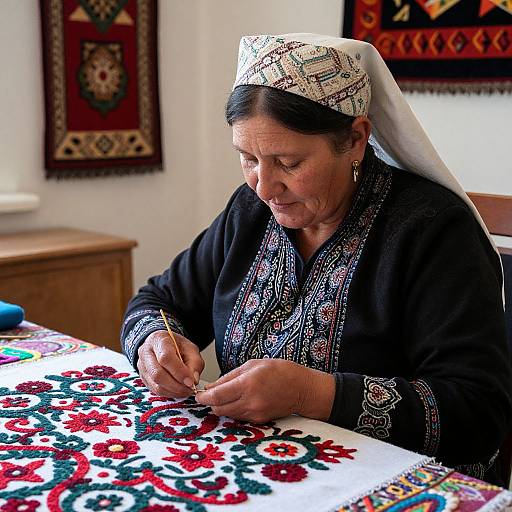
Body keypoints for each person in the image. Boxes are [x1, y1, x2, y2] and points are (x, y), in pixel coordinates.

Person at [121, 34, 512, 484]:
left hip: (403, 485)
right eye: (247, 158)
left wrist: (313, 393)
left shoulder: (433, 230)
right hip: (260, 469)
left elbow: (478, 413)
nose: (264, 187)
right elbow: (158, 300)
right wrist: (154, 344)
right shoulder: (251, 212)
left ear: (357, 139)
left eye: (288, 162)